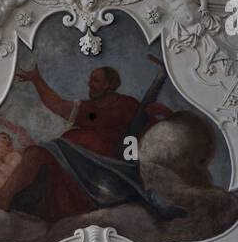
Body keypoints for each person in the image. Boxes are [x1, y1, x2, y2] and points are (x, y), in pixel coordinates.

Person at [11, 64, 170, 225]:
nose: (89, 83)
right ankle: (4, 201)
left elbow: (154, 130)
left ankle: (0, 201)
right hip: (72, 166)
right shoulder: (87, 108)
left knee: (38, 154)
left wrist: (167, 114)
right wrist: (37, 80)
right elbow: (58, 105)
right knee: (37, 157)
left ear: (107, 85)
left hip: (103, 171)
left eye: (94, 80)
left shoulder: (127, 105)